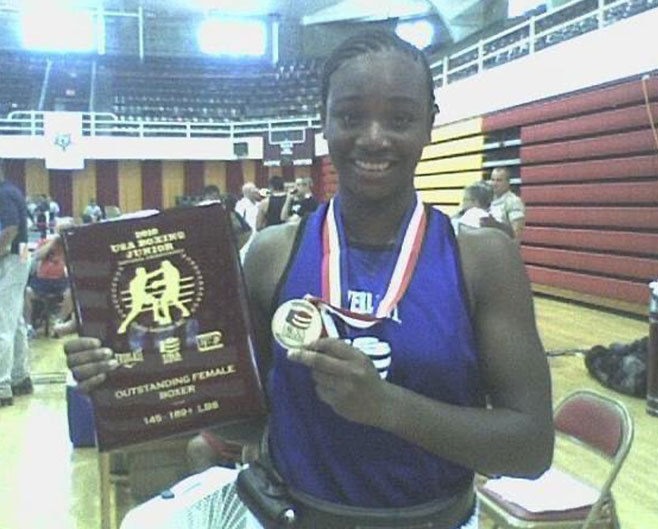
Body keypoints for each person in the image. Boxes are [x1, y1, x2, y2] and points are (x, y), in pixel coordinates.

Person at [65, 30, 553, 528]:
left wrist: (387, 407)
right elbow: (254, 422)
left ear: (430, 123)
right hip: (285, 516)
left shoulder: (482, 258)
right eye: (350, 117)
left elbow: (531, 448)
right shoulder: (274, 252)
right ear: (323, 123)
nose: (373, 137)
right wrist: (133, 375)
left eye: (401, 119)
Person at [0, 160, 32, 407]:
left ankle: (2, 385)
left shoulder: (4, 193)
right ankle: (21, 377)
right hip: (21, 254)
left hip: (12, 256)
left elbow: (10, 228)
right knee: (16, 318)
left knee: (3, 322)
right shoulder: (13, 190)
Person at [24, 220, 74, 338]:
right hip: (42, 281)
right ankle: (28, 326)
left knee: (71, 293)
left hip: (61, 281)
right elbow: (37, 256)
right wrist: (52, 243)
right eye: (60, 230)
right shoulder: (46, 242)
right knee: (27, 292)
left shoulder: (72, 244)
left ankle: (59, 323)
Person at [488, 167, 526, 242]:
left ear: (508, 182)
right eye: (492, 180)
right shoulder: (488, 199)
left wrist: (495, 225)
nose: (494, 184)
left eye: (499, 180)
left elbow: (516, 233)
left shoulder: (513, 201)